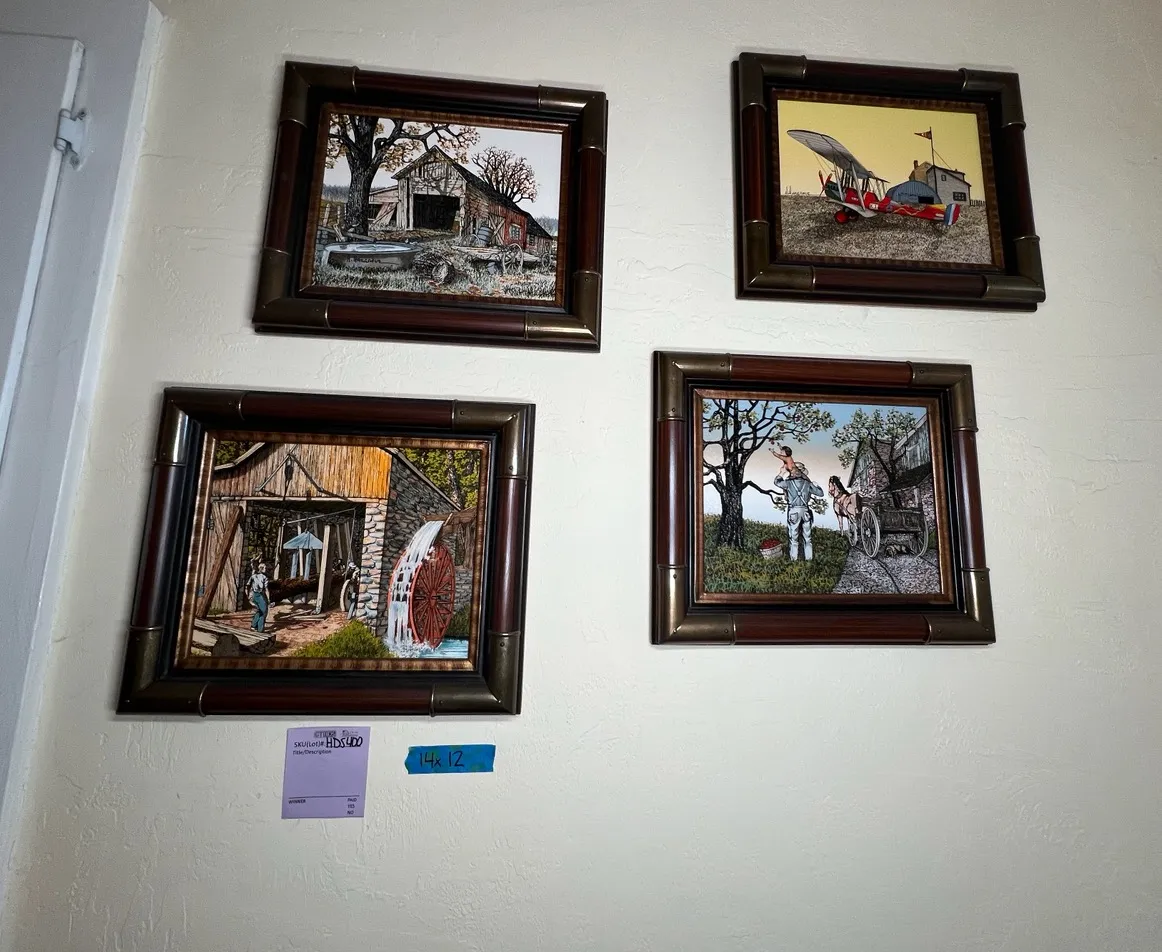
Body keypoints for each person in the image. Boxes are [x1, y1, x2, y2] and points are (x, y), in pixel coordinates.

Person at [775, 464, 824, 561]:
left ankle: (794, 560)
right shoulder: (807, 483)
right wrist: (816, 485)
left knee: (794, 539)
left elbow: (777, 482)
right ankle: (809, 559)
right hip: (805, 511)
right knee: (808, 538)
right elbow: (820, 493)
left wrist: (781, 472)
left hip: (793, 511)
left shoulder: (788, 483)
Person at [247, 561, 272, 632]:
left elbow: (248, 585)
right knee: (264, 611)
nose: (266, 569)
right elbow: (266, 589)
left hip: (254, 595)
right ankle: (260, 629)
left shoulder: (253, 576)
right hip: (260, 595)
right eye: (265, 568)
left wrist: (249, 595)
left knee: (259, 610)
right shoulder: (264, 577)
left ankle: (253, 625)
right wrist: (268, 599)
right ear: (261, 568)